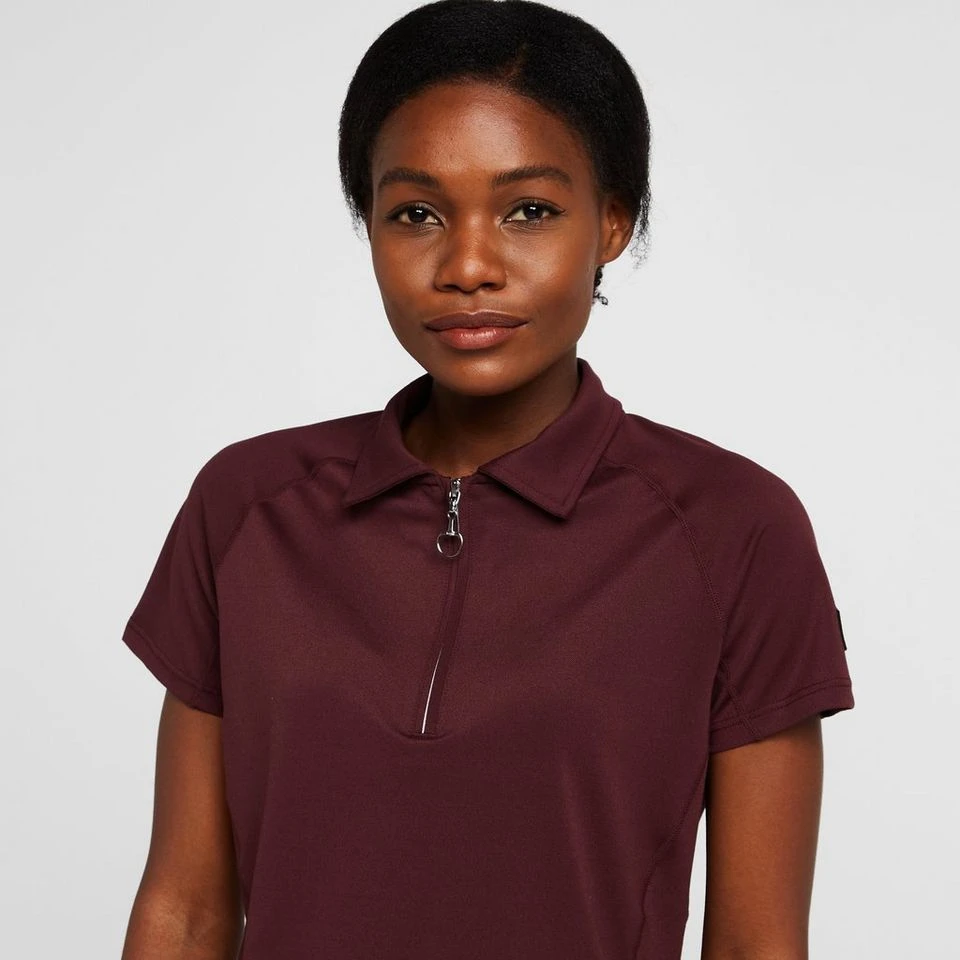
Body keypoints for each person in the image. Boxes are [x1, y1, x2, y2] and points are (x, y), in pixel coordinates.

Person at [119, 1, 855, 958]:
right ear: (370, 225)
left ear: (613, 222)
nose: (468, 265)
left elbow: (759, 946)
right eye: (416, 213)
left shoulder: (733, 529)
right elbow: (184, 911)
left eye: (530, 211)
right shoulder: (248, 507)